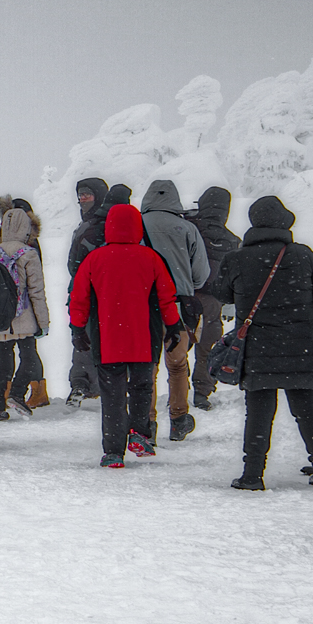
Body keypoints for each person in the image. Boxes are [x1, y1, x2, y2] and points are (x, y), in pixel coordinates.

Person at [212, 196, 313, 491]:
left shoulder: (236, 258)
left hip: (258, 349)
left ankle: (253, 475)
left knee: (258, 411)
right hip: (300, 347)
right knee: (307, 408)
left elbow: (222, 293)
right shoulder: (301, 255)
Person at [68, 202, 181, 468]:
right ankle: (140, 434)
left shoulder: (94, 259)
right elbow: (167, 297)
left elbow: (79, 298)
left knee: (113, 395)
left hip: (107, 339)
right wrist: (174, 326)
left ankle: (113, 452)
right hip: (144, 337)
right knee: (142, 388)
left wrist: (77, 328)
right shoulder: (151, 258)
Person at [139, 179, 213, 445]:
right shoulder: (188, 229)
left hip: (143, 306)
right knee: (178, 365)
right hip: (179, 305)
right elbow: (201, 274)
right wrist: (184, 284)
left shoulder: (137, 225)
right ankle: (179, 418)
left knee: (148, 367)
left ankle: (146, 421)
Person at [0, 201, 51, 420]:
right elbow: (36, 292)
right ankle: (17, 393)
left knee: (2, 362)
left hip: (1, 317)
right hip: (24, 316)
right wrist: (43, 322)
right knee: (29, 358)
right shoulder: (29, 254)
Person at [186, 186, 240, 411]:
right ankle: (202, 391)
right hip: (214, 301)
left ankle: (176, 389)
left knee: (176, 346)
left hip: (185, 296)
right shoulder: (231, 240)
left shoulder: (189, 228)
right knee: (208, 346)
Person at [64, 177, 111, 405]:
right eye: (80, 195)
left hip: (94, 291)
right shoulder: (88, 225)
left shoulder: (100, 225)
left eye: (87, 194)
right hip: (91, 292)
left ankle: (86, 384)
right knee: (84, 338)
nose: (82, 199)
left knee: (85, 337)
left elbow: (75, 264)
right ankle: (84, 384)